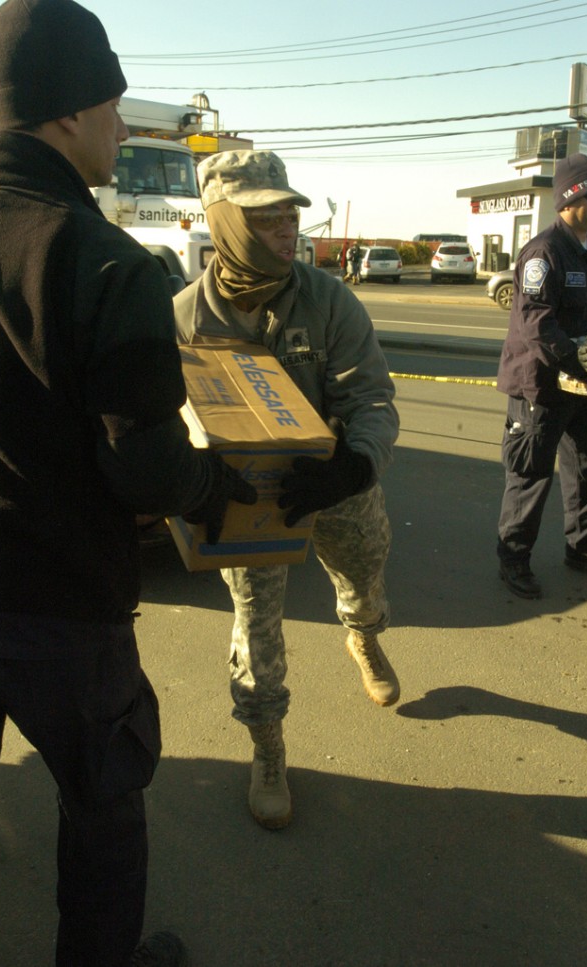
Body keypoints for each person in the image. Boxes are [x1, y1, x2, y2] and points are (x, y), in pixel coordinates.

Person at [0, 2, 256, 965]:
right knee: (102, 813)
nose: (117, 126)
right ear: (66, 113)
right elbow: (141, 465)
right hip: (64, 605)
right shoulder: (107, 263)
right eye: (109, 104)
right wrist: (217, 486)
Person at [175, 150, 400, 830]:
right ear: (226, 224)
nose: (287, 230)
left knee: (364, 568)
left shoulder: (328, 298)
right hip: (247, 499)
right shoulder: (187, 315)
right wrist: (195, 478)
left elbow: (372, 397)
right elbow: (162, 414)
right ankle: (267, 747)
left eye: (290, 215)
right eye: (266, 218)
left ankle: (362, 632)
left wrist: (354, 464)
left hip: (332, 481)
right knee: (255, 623)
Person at [496, 152, 587, 600]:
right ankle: (513, 558)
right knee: (530, 475)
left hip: (582, 387)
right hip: (542, 386)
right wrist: (573, 353)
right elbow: (534, 322)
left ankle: (584, 547)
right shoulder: (543, 251)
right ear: (569, 197)